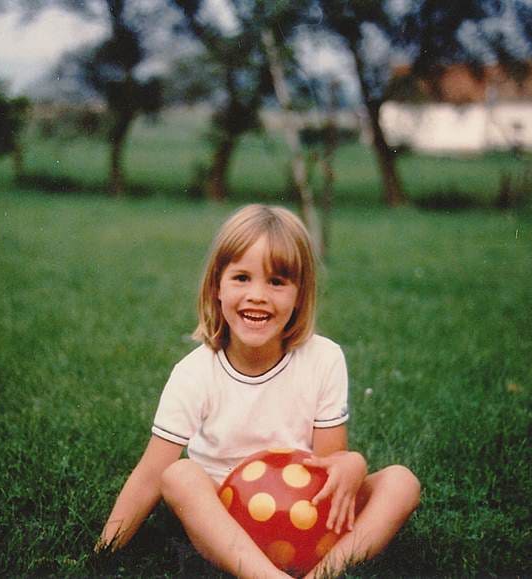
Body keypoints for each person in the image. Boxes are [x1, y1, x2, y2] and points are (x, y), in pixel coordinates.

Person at [95, 204, 420, 577]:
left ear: (300, 294)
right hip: (224, 521)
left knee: (401, 482)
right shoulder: (194, 373)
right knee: (179, 475)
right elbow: (151, 474)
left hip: (304, 516)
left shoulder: (324, 358)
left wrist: (353, 464)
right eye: (242, 278)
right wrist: (101, 552)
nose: (258, 295)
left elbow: (329, 466)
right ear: (216, 287)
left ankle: (324, 573)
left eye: (277, 282)